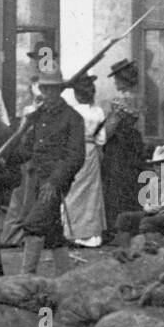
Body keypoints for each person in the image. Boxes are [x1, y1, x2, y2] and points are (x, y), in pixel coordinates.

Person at [0, 65, 84, 278]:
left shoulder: (73, 118)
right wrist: (5, 158)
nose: (48, 94)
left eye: (53, 89)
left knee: (33, 224)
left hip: (55, 181)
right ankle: (66, 278)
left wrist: (55, 182)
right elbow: (28, 150)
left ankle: (26, 278)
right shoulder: (38, 116)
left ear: (61, 90)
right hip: (35, 178)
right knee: (52, 231)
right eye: (45, 89)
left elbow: (75, 157)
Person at [99, 58, 146, 241]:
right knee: (132, 187)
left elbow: (109, 131)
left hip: (119, 149)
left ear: (123, 79)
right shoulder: (139, 98)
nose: (115, 82)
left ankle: (117, 230)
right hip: (135, 147)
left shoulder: (120, 102)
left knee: (116, 188)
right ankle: (132, 227)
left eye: (117, 78)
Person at [61, 72, 105, 248]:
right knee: (90, 193)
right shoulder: (98, 111)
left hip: (73, 151)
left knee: (72, 190)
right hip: (91, 151)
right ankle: (90, 235)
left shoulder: (70, 111)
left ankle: (71, 232)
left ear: (77, 94)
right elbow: (101, 139)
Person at [115, 144, 164, 246]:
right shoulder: (153, 181)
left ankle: (151, 245)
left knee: (147, 222)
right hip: (154, 213)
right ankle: (124, 246)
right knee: (124, 217)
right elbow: (147, 203)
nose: (160, 168)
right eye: (157, 165)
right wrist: (149, 208)